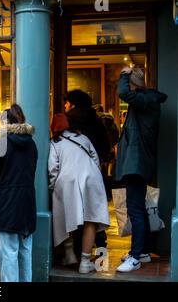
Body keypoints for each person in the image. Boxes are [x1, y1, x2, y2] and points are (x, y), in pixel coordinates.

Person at [115, 67, 167, 272]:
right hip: (137, 163)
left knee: (135, 209)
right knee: (139, 209)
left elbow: (122, 93)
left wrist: (123, 74)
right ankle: (143, 251)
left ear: (134, 85)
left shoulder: (144, 101)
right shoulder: (146, 101)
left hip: (137, 164)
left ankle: (135, 257)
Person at [48, 113, 110, 274]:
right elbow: (95, 160)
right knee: (91, 218)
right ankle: (85, 261)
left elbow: (53, 169)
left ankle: (69, 255)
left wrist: (52, 188)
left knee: (67, 216)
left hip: (66, 180)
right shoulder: (83, 138)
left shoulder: (55, 143)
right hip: (91, 178)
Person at [0, 104, 37, 282]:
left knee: (8, 252)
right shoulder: (31, 143)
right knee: (25, 251)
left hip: (8, 203)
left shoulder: (4, 142)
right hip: (27, 202)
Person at [64, 90, 111, 254]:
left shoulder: (68, 122)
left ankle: (78, 252)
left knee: (76, 213)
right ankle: (101, 253)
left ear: (73, 104)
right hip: (94, 173)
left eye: (67, 103)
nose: (64, 106)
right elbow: (105, 147)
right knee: (94, 214)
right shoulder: (97, 121)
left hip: (72, 173)